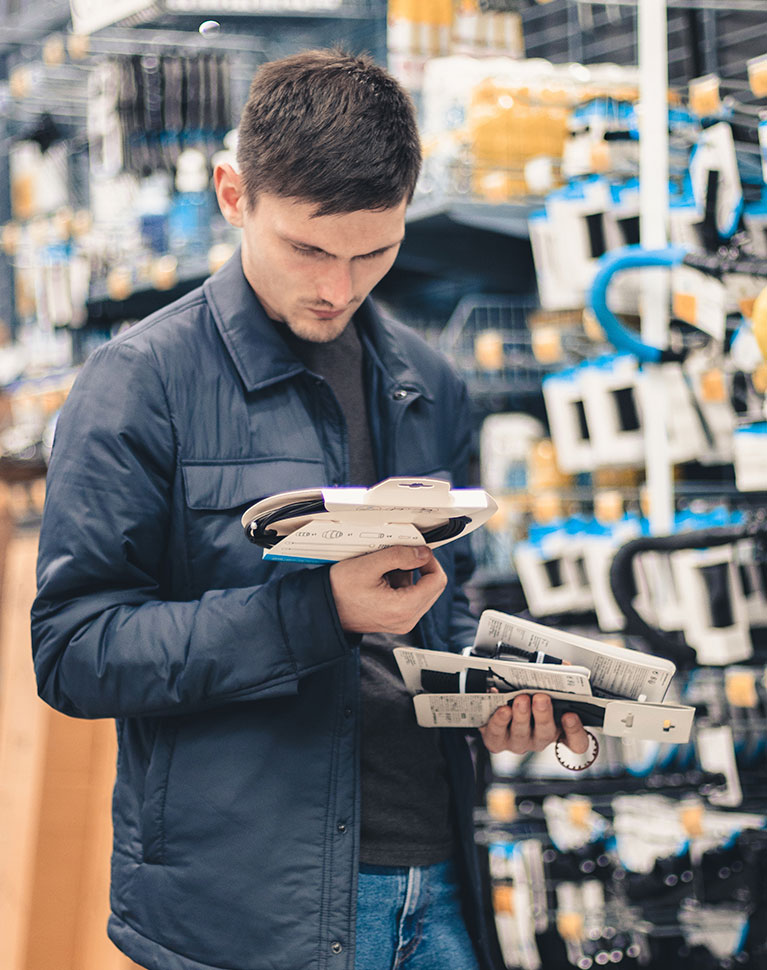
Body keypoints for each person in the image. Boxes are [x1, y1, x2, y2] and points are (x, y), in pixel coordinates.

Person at [31, 49, 587, 970]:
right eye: (309, 250)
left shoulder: (428, 383)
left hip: (442, 887)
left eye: (375, 251)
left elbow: (440, 615)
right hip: (252, 915)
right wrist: (316, 613)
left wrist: (500, 698)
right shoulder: (140, 384)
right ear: (232, 194)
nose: (338, 286)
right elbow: (76, 652)